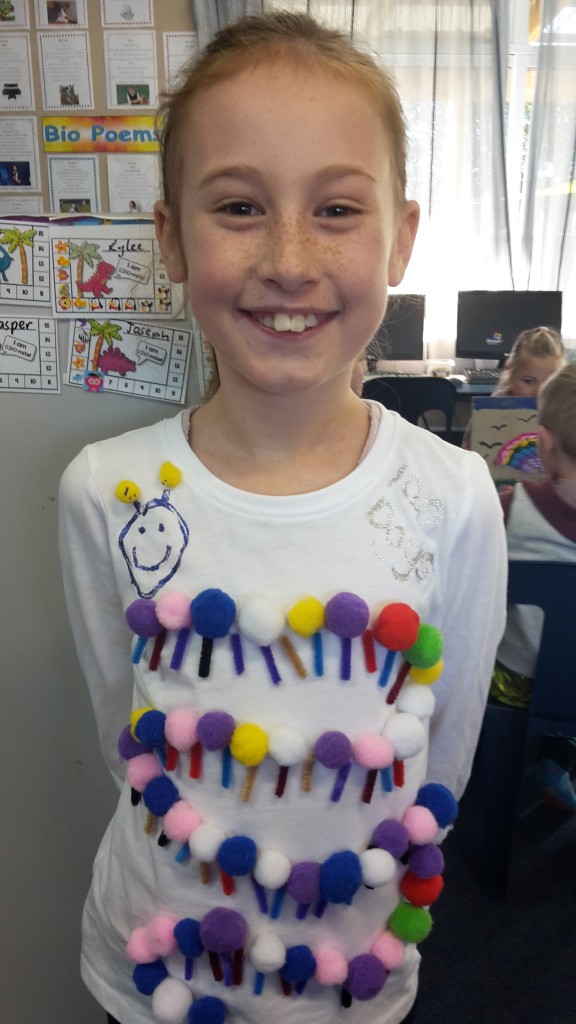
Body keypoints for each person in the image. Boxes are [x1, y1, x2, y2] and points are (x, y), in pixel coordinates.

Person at [58, 13, 506, 1024]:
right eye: (239, 207)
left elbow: (445, 757)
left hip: (352, 974)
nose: (290, 259)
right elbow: (125, 727)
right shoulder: (105, 490)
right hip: (155, 967)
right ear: (171, 237)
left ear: (402, 237)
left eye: (337, 208)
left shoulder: (453, 496)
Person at [490, 362, 576, 811]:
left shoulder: (508, 510)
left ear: (543, 440)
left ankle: (494, 764)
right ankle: (557, 762)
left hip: (517, 683)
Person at [462, 326, 566, 449]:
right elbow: (469, 449)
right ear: (511, 376)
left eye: (548, 382)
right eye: (528, 381)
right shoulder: (492, 408)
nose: (538, 391)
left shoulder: (563, 410)